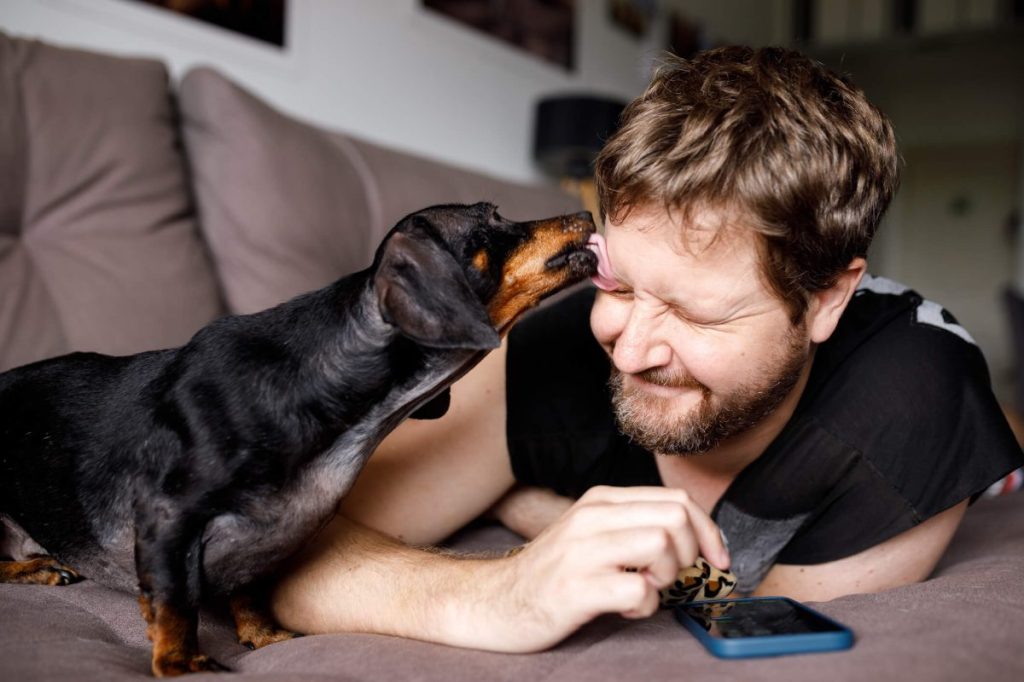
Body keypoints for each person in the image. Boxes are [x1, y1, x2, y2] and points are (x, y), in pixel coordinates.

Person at [269, 46, 1024, 653]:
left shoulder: (911, 401)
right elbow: (283, 550)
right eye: (618, 285)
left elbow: (764, 626)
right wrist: (493, 594)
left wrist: (524, 502)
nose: (627, 351)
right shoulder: (561, 342)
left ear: (827, 298)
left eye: (694, 313)